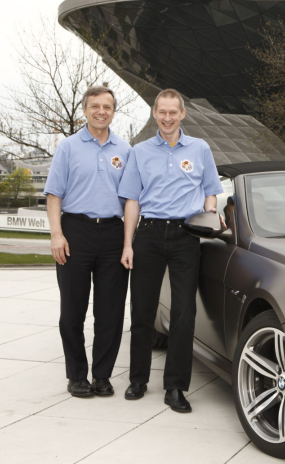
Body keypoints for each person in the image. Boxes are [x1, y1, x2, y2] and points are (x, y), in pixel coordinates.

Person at [118, 88, 223, 413]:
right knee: (142, 311)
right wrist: (128, 244)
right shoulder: (140, 151)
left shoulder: (200, 148)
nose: (167, 118)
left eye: (172, 112)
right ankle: (138, 380)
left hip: (185, 235)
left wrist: (209, 215)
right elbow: (132, 200)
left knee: (183, 313)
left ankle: (176, 387)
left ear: (182, 114)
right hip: (148, 234)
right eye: (161, 112)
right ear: (155, 113)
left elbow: (210, 192)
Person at [44, 85, 130, 398]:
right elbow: (54, 195)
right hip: (75, 232)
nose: (101, 112)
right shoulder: (67, 147)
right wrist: (57, 234)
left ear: (113, 112)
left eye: (107, 107)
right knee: (72, 311)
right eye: (95, 106)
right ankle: (77, 375)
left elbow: (131, 200)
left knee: (110, 313)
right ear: (85, 110)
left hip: (113, 234)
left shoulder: (125, 150)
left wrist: (128, 242)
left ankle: (103, 376)